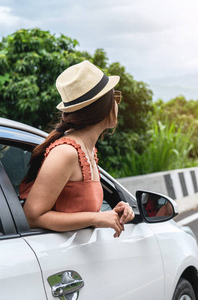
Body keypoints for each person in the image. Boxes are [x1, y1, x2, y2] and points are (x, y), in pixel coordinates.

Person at [20, 60, 135, 238]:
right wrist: (96, 218)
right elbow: (33, 216)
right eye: (116, 98)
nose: (117, 104)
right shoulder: (66, 152)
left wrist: (114, 212)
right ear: (103, 106)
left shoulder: (87, 150)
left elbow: (75, 209)